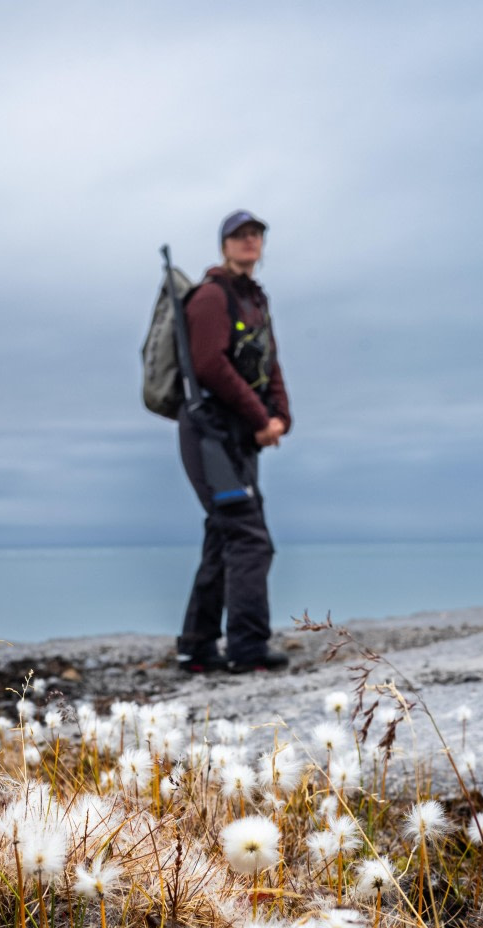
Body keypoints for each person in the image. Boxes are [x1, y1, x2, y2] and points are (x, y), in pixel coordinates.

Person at [175, 210, 292, 674]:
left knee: (225, 533)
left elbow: (270, 363)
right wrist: (261, 418)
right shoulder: (211, 296)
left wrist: (281, 418)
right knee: (249, 538)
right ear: (224, 245)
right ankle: (247, 649)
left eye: (255, 234)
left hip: (239, 435)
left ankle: (197, 647)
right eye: (239, 235)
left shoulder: (254, 300)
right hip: (210, 434)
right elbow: (209, 365)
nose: (249, 241)